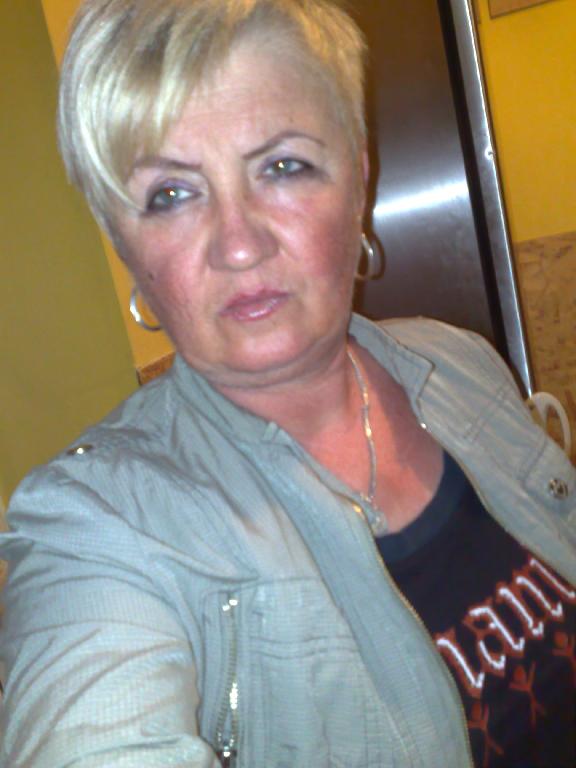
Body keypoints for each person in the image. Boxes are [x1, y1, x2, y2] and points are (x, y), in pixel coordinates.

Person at [0, 1, 574, 766]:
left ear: (359, 178)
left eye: (282, 166)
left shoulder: (459, 363)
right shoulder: (101, 521)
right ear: (126, 248)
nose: (239, 245)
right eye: (170, 194)